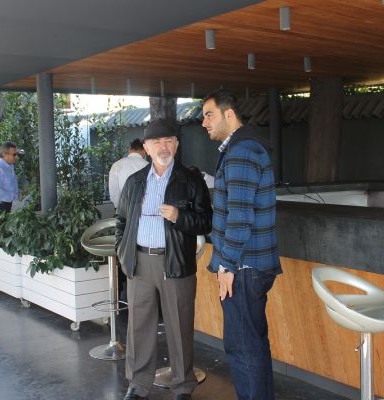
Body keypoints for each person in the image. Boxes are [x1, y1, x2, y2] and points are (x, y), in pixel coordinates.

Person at [115, 119, 212, 400]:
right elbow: (121, 222)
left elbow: (206, 222)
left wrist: (179, 216)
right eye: (156, 142)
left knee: (180, 325)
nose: (163, 147)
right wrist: (123, 252)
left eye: (169, 141)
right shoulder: (134, 182)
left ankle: (182, 385)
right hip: (140, 263)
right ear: (146, 148)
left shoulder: (191, 180)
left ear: (177, 145)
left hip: (176, 262)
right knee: (139, 327)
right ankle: (138, 384)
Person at [202, 89, 282, 400]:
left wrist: (226, 265)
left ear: (229, 114)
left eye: (209, 114)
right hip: (248, 266)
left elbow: (239, 216)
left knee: (242, 348)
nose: (204, 123)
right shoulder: (243, 148)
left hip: (243, 268)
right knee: (252, 345)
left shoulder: (241, 152)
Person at [108, 138, 148, 209]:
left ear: (129, 149)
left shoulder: (117, 165)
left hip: (123, 207)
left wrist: (118, 207)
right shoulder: (148, 165)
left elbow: (114, 190)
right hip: (144, 208)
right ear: (144, 150)